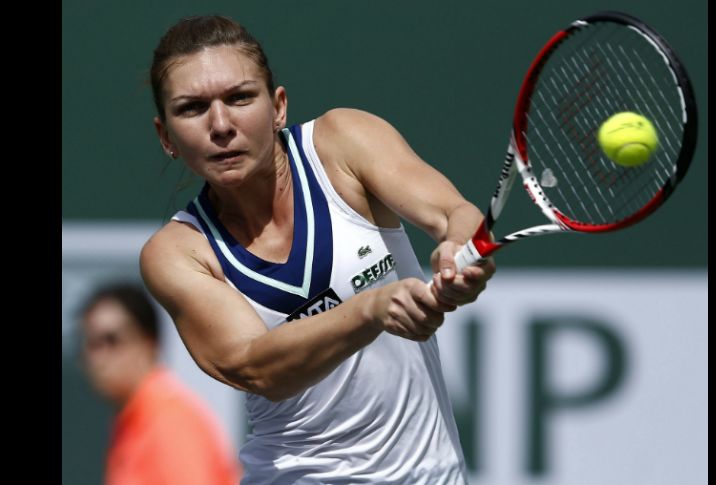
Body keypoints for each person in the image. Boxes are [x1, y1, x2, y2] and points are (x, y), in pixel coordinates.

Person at [140, 15, 496, 484]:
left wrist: (459, 253)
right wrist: (371, 308)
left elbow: (454, 213)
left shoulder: (342, 142)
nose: (221, 125)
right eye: (192, 108)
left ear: (278, 107)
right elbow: (259, 368)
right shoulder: (177, 253)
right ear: (166, 137)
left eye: (240, 98)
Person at [79, 282, 242, 485]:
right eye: (91, 343)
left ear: (148, 342)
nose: (98, 357)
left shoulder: (169, 420)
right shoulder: (133, 419)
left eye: (112, 340)